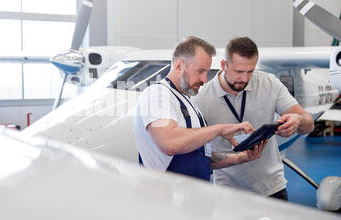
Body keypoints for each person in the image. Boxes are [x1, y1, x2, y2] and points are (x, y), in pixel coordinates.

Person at [194, 37, 314, 200]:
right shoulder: (201, 99)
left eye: (250, 71)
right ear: (223, 65)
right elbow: (195, 152)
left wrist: (298, 122)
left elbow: (308, 123)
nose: (244, 78)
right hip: (227, 191)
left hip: (272, 187)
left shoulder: (269, 83)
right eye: (238, 71)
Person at [133, 36, 266, 181]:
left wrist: (240, 158)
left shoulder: (188, 102)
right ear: (179, 66)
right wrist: (219, 129)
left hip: (190, 197)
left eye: (206, 72)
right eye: (200, 71)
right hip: (165, 198)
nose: (204, 79)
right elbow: (169, 143)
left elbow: (201, 156)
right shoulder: (157, 94)